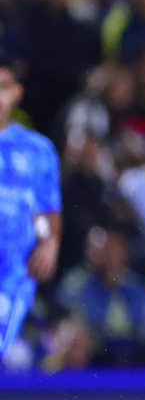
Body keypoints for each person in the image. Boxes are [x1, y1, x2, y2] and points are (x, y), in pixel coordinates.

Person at [0, 59, 62, 355]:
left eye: (2, 87)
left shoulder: (37, 150)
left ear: (17, 93)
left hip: (15, 270)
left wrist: (48, 240)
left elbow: (40, 210)